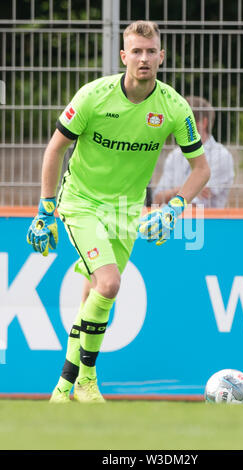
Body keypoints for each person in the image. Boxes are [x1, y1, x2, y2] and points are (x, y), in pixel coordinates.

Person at [26, 20, 210, 403]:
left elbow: (201, 169)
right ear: (124, 56)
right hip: (81, 202)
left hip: (127, 211)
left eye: (151, 51)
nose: (144, 58)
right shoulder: (94, 95)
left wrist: (175, 208)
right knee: (109, 284)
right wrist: (45, 210)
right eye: (136, 51)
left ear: (162, 56)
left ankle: (64, 388)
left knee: (94, 297)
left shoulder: (174, 107)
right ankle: (87, 378)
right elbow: (54, 149)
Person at [153, 97, 234, 208]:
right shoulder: (174, 155)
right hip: (174, 220)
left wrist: (172, 193)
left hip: (208, 223)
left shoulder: (221, 156)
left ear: (203, 123)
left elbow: (198, 203)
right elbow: (157, 199)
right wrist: (189, 190)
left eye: (183, 121)